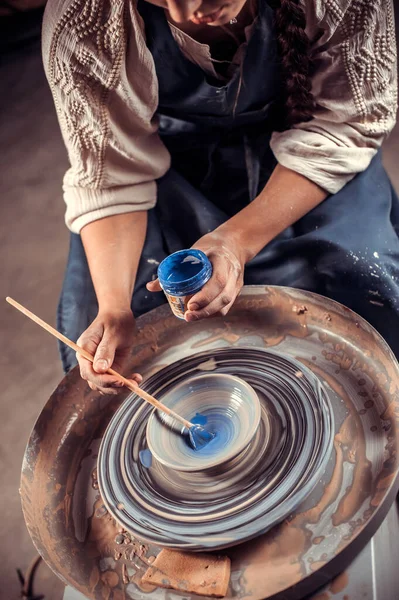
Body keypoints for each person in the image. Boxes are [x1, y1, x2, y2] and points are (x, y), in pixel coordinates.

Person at [42, 0, 399, 394]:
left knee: (358, 279)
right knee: (107, 324)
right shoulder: (83, 17)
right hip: (166, 157)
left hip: (315, 143)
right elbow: (112, 173)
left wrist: (236, 241)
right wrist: (114, 306)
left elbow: (346, 123)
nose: (187, 13)